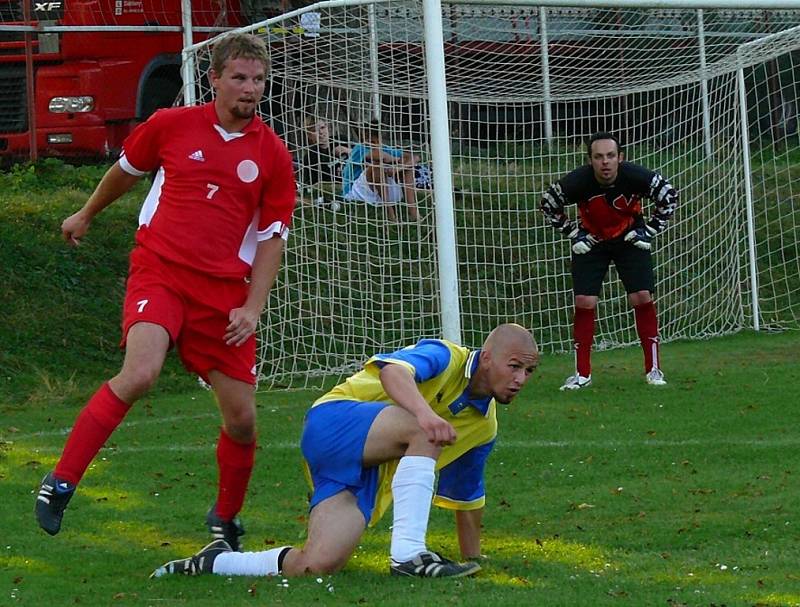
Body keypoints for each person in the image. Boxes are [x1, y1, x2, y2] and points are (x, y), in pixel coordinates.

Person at [34, 33, 296, 550]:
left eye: (258, 80)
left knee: (242, 420)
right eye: (239, 78)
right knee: (142, 371)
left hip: (224, 296)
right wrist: (86, 214)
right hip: (162, 272)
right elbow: (124, 172)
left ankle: (224, 519)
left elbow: (272, 239)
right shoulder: (171, 125)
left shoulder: (272, 154)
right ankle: (60, 481)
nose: (250, 89)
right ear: (214, 79)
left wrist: (253, 306)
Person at [150, 323, 539, 579]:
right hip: (333, 420)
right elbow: (392, 371)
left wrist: (475, 561)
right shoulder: (445, 355)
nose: (520, 379)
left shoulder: (484, 426)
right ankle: (408, 556)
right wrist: (426, 415)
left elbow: (465, 495)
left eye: (528, 372)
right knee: (427, 430)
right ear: (487, 358)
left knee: (317, 564)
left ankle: (215, 561)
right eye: (515, 366)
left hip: (363, 468)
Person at [540, 131, 678, 390]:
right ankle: (582, 374)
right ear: (590, 160)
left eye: (611, 156)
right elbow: (548, 204)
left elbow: (669, 196)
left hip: (629, 239)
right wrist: (573, 233)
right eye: (598, 156)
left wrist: (649, 230)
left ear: (620, 158)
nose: (605, 162)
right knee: (584, 301)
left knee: (642, 296)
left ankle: (653, 369)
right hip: (592, 241)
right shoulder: (577, 182)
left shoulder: (637, 177)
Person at [342, 121, 420, 222]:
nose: (368, 141)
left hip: (380, 191)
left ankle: (414, 213)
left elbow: (415, 157)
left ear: (379, 138)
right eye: (365, 138)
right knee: (377, 166)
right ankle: (390, 213)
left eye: (373, 139)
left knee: (408, 168)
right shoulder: (359, 148)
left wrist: (398, 168)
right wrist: (396, 160)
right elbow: (379, 156)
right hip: (356, 193)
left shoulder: (384, 148)